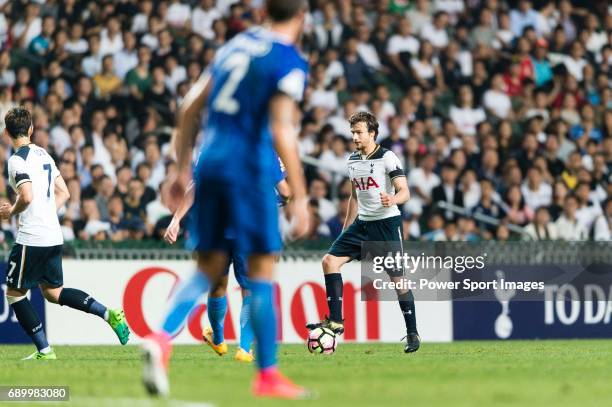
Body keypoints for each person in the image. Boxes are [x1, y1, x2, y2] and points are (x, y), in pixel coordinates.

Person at [141, 0, 310, 399]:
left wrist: (181, 171)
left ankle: (161, 338)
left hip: (210, 162)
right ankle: (267, 376)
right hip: (248, 167)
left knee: (207, 269)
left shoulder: (233, 46)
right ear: (301, 16)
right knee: (262, 273)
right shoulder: (288, 59)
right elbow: (282, 130)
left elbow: (187, 109)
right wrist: (301, 198)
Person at [1, 107, 129, 360]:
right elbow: (65, 193)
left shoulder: (16, 161)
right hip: (53, 235)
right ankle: (108, 313)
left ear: (6, 133)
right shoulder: (44, 155)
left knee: (14, 294)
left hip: (32, 237)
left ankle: (45, 351)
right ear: (31, 129)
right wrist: (47, 211)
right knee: (53, 293)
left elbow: (26, 196)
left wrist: (11, 211)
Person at [306, 111, 419, 353]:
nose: (355, 137)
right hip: (362, 225)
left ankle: (412, 333)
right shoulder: (352, 160)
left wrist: (393, 198)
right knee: (329, 261)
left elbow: (405, 191)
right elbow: (355, 196)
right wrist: (346, 230)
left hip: (386, 226)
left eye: (359, 132)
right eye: (353, 132)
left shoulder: (388, 158)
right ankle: (336, 321)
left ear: (372, 133)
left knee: (398, 280)